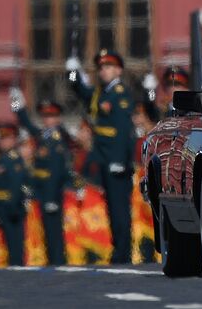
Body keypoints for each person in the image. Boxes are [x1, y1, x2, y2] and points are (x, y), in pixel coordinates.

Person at [68, 49, 136, 264]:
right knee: (112, 209)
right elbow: (84, 93)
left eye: (108, 67)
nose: (103, 71)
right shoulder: (103, 93)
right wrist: (73, 75)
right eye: (101, 68)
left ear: (118, 70)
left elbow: (123, 131)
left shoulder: (120, 93)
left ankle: (123, 252)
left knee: (119, 210)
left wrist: (119, 160)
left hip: (116, 162)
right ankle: (118, 249)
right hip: (105, 160)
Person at [13, 92, 75, 265]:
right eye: (45, 116)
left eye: (51, 116)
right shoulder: (43, 136)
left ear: (58, 118)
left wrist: (52, 197)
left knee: (55, 231)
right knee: (47, 231)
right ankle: (53, 261)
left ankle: (58, 261)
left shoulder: (58, 139)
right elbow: (28, 125)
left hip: (52, 192)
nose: (47, 120)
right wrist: (19, 107)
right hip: (41, 190)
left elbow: (56, 172)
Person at [0, 125, 29, 266]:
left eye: (7, 139)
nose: (3, 142)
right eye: (1, 139)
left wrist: (11, 207)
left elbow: (15, 186)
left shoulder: (14, 159)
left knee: (15, 242)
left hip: (11, 207)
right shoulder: (0, 158)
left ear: (14, 140)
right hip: (1, 207)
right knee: (7, 242)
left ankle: (18, 267)